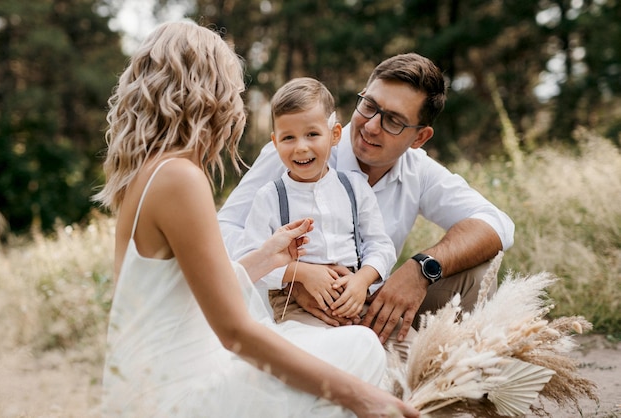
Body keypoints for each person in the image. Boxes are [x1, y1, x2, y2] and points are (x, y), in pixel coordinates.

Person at [94, 21, 418, 418]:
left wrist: (266, 258)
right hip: (174, 396)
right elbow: (235, 333)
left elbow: (183, 295)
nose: (237, 102)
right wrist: (362, 397)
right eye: (232, 88)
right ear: (206, 93)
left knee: (331, 348)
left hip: (145, 386)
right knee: (360, 347)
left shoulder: (149, 173)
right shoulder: (179, 178)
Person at [218, 53, 515, 345]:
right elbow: (222, 229)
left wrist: (420, 269)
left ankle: (463, 378)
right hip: (287, 310)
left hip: (369, 304)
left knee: (478, 271)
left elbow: (497, 224)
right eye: (369, 106)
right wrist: (292, 279)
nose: (371, 126)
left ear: (419, 138)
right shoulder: (297, 149)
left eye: (394, 121)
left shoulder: (419, 171)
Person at [234, 77, 396, 321]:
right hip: (295, 301)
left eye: (312, 134)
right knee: (317, 350)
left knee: (402, 349)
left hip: (354, 293)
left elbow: (381, 245)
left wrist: (362, 280)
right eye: (288, 138)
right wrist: (302, 273)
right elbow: (251, 263)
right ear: (275, 142)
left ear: (334, 134)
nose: (300, 147)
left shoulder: (354, 187)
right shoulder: (270, 197)